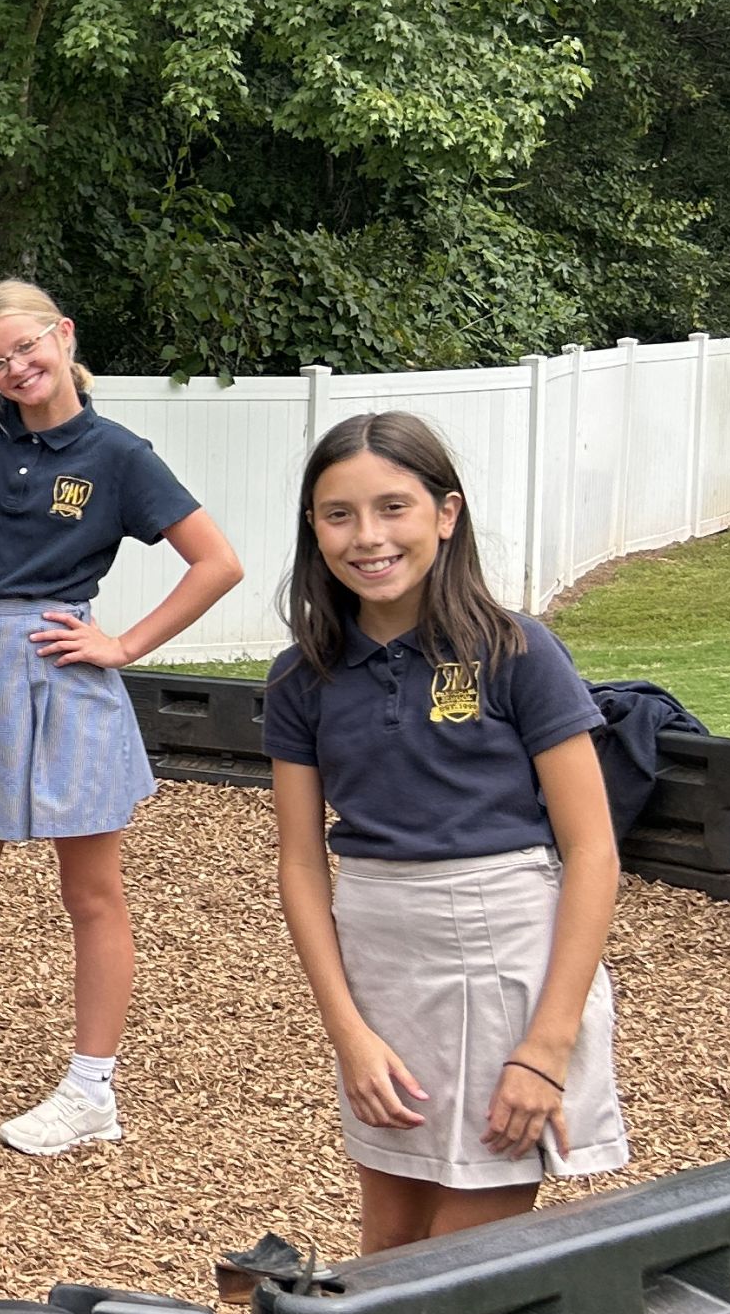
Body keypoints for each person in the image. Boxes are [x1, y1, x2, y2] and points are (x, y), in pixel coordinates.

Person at [0, 278, 244, 1156]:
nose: (13, 369)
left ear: (63, 335)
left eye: (25, 348)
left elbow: (217, 562)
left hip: (65, 670)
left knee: (91, 892)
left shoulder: (118, 454)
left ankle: (90, 1091)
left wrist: (125, 643)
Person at [266, 411, 629, 1251]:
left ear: (446, 514)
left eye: (393, 507)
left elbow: (592, 851)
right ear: (313, 527)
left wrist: (547, 1045)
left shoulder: (516, 651)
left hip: (509, 961)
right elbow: (301, 864)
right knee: (389, 1243)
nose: (368, 536)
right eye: (339, 514)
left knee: (462, 1259)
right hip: (380, 963)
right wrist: (349, 1033)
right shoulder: (302, 677)